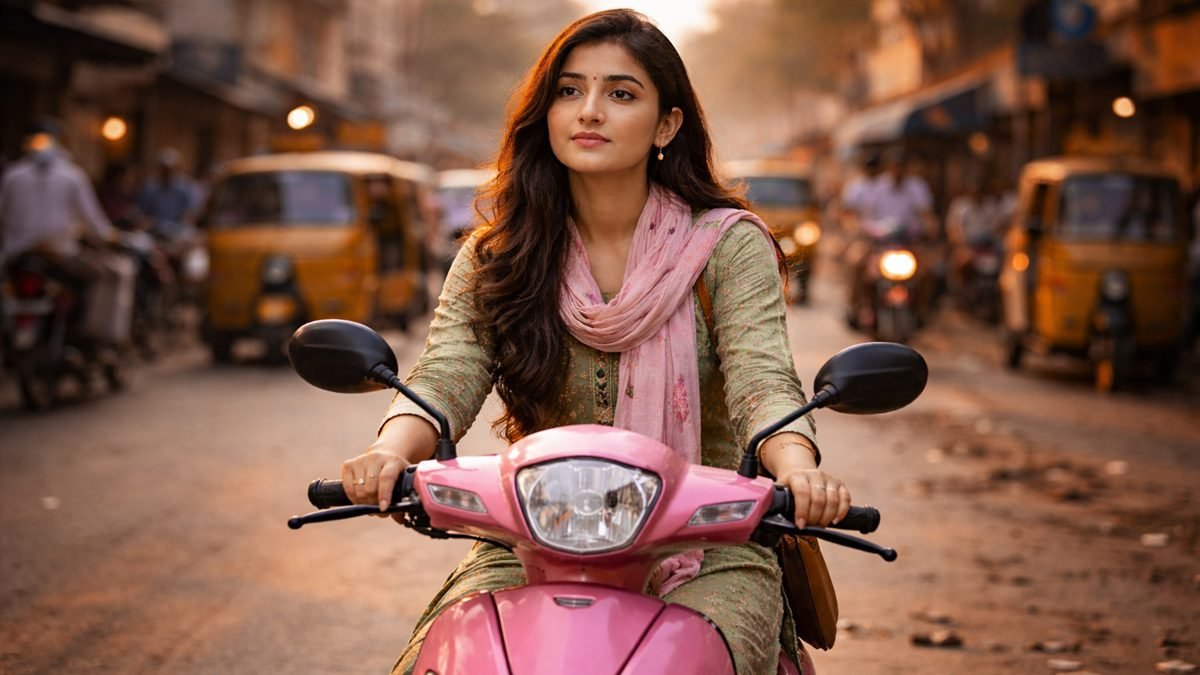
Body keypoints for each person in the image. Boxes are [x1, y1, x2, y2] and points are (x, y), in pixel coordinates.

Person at [339, 10, 849, 675]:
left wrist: (798, 470)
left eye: (621, 93)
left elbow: (764, 384)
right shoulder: (499, 253)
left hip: (709, 542)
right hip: (530, 540)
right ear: (545, 114)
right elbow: (444, 376)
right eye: (570, 91)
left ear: (667, 124)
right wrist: (385, 453)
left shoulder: (726, 246)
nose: (590, 112)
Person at [0, 120, 135, 348]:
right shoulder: (72, 176)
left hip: (17, 255)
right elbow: (94, 222)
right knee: (105, 276)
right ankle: (92, 335)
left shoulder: (13, 175)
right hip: (58, 256)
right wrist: (109, 237)